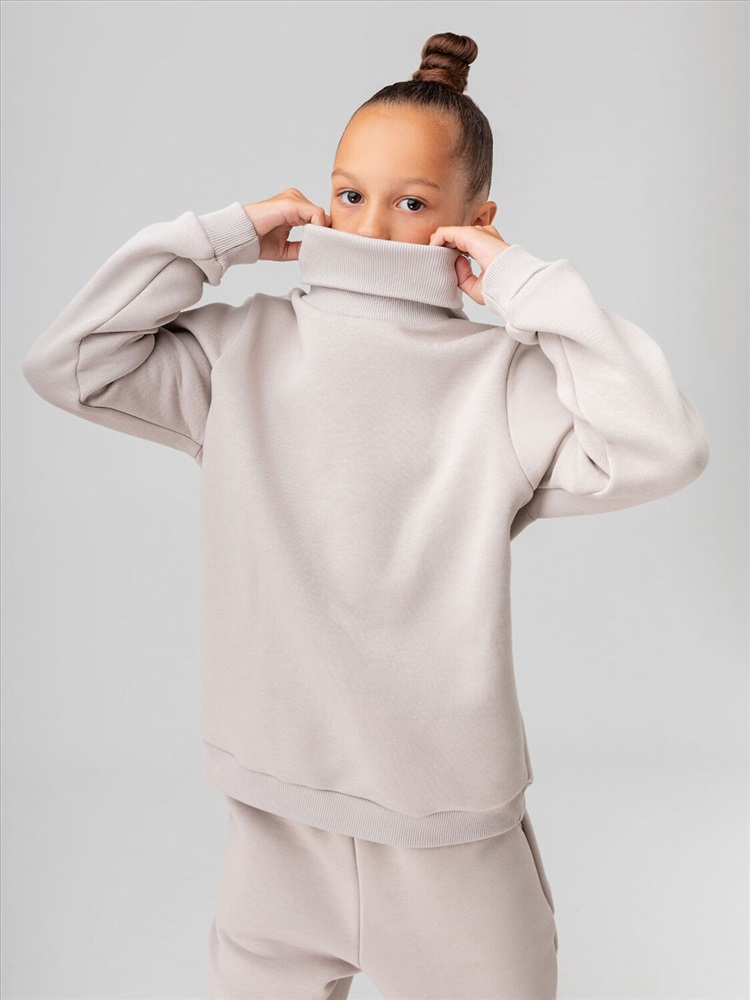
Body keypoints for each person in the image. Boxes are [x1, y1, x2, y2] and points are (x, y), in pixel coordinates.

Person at [21, 29, 710, 1000]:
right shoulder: (243, 349)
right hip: (275, 831)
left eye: (413, 202)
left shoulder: (502, 382)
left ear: (475, 220)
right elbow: (70, 363)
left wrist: (524, 285)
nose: (372, 224)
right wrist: (219, 239)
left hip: (447, 852)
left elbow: (663, 445)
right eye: (349, 193)